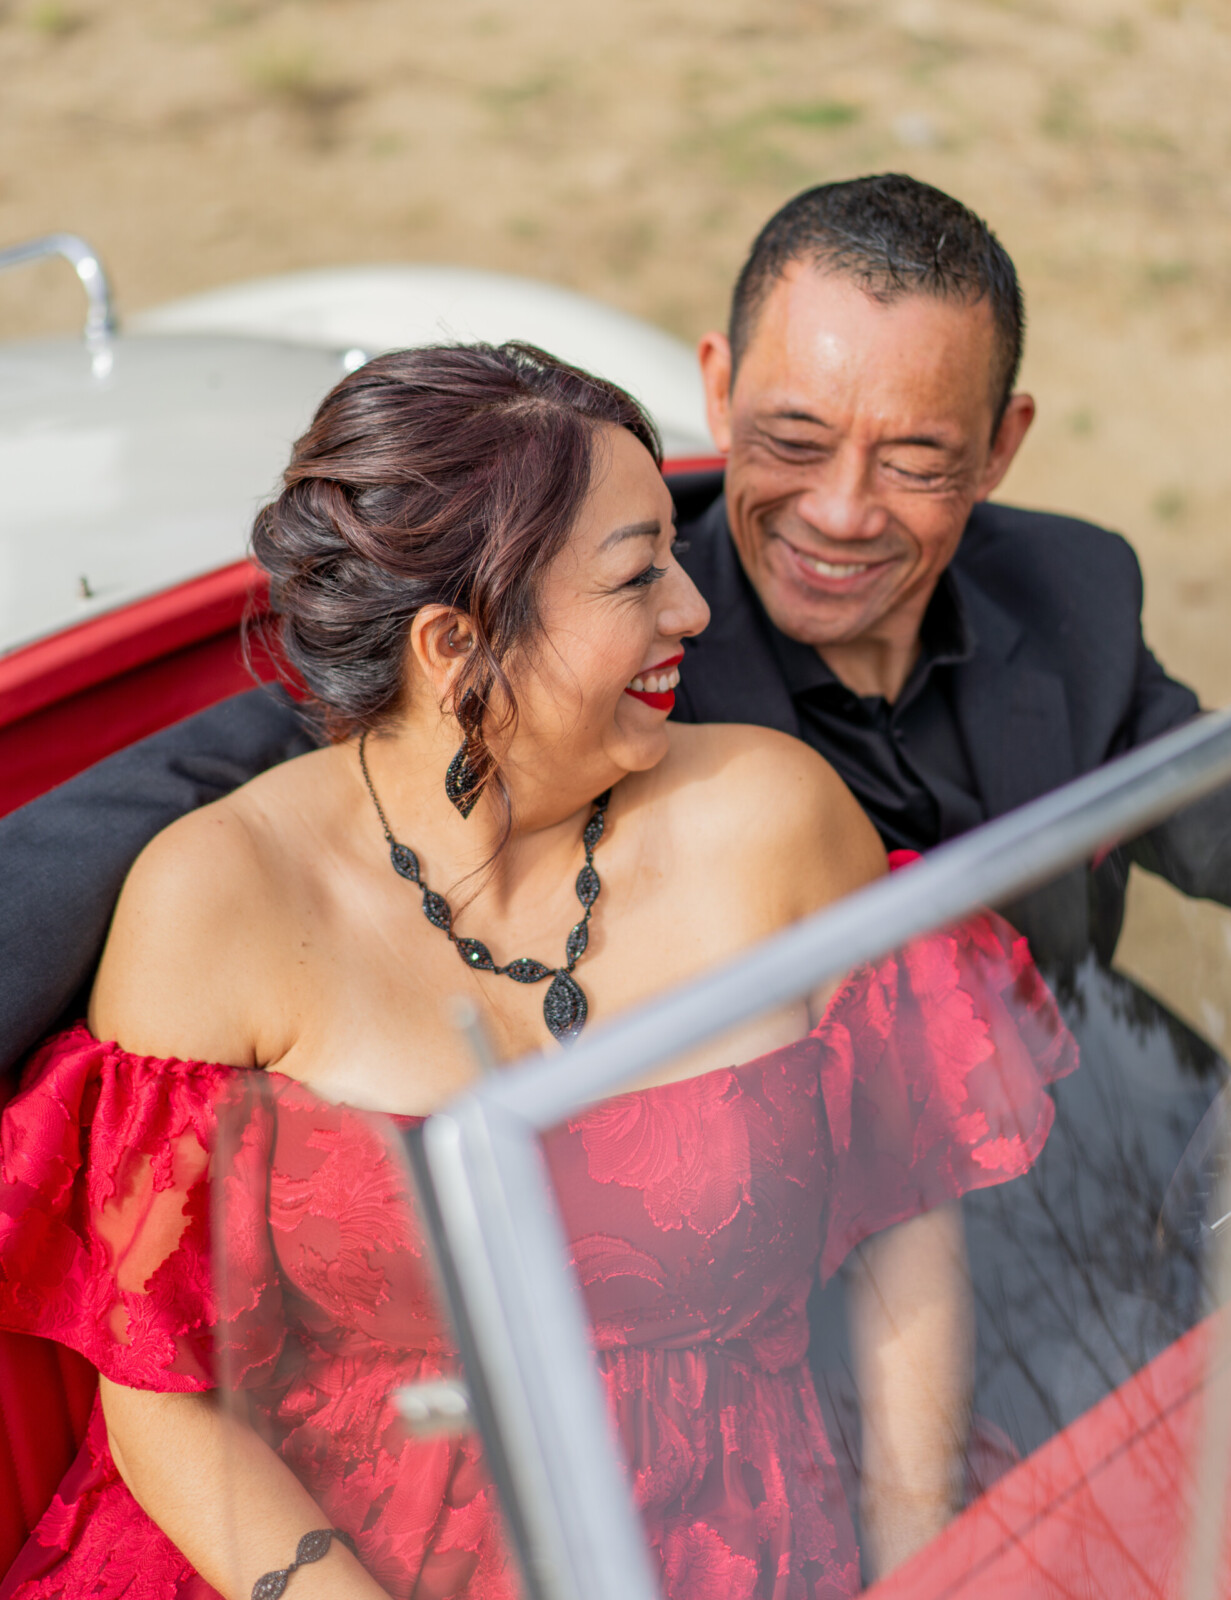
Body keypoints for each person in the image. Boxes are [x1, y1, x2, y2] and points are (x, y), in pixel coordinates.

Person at [0, 174, 1219, 1442]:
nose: (842, 510)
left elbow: (1198, 799)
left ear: (1000, 447)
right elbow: (322, 750)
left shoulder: (1073, 587)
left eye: (916, 461)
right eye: (792, 442)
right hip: (800, 1331)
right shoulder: (585, 632)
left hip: (1103, 1203)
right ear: (719, 389)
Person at [0, 344, 1074, 1599]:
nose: (694, 609)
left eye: (673, 556)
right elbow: (161, 1396)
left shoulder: (776, 819)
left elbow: (908, 1228)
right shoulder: (213, 903)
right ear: (458, 644)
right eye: (637, 576)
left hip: (753, 1538)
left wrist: (912, 1555)